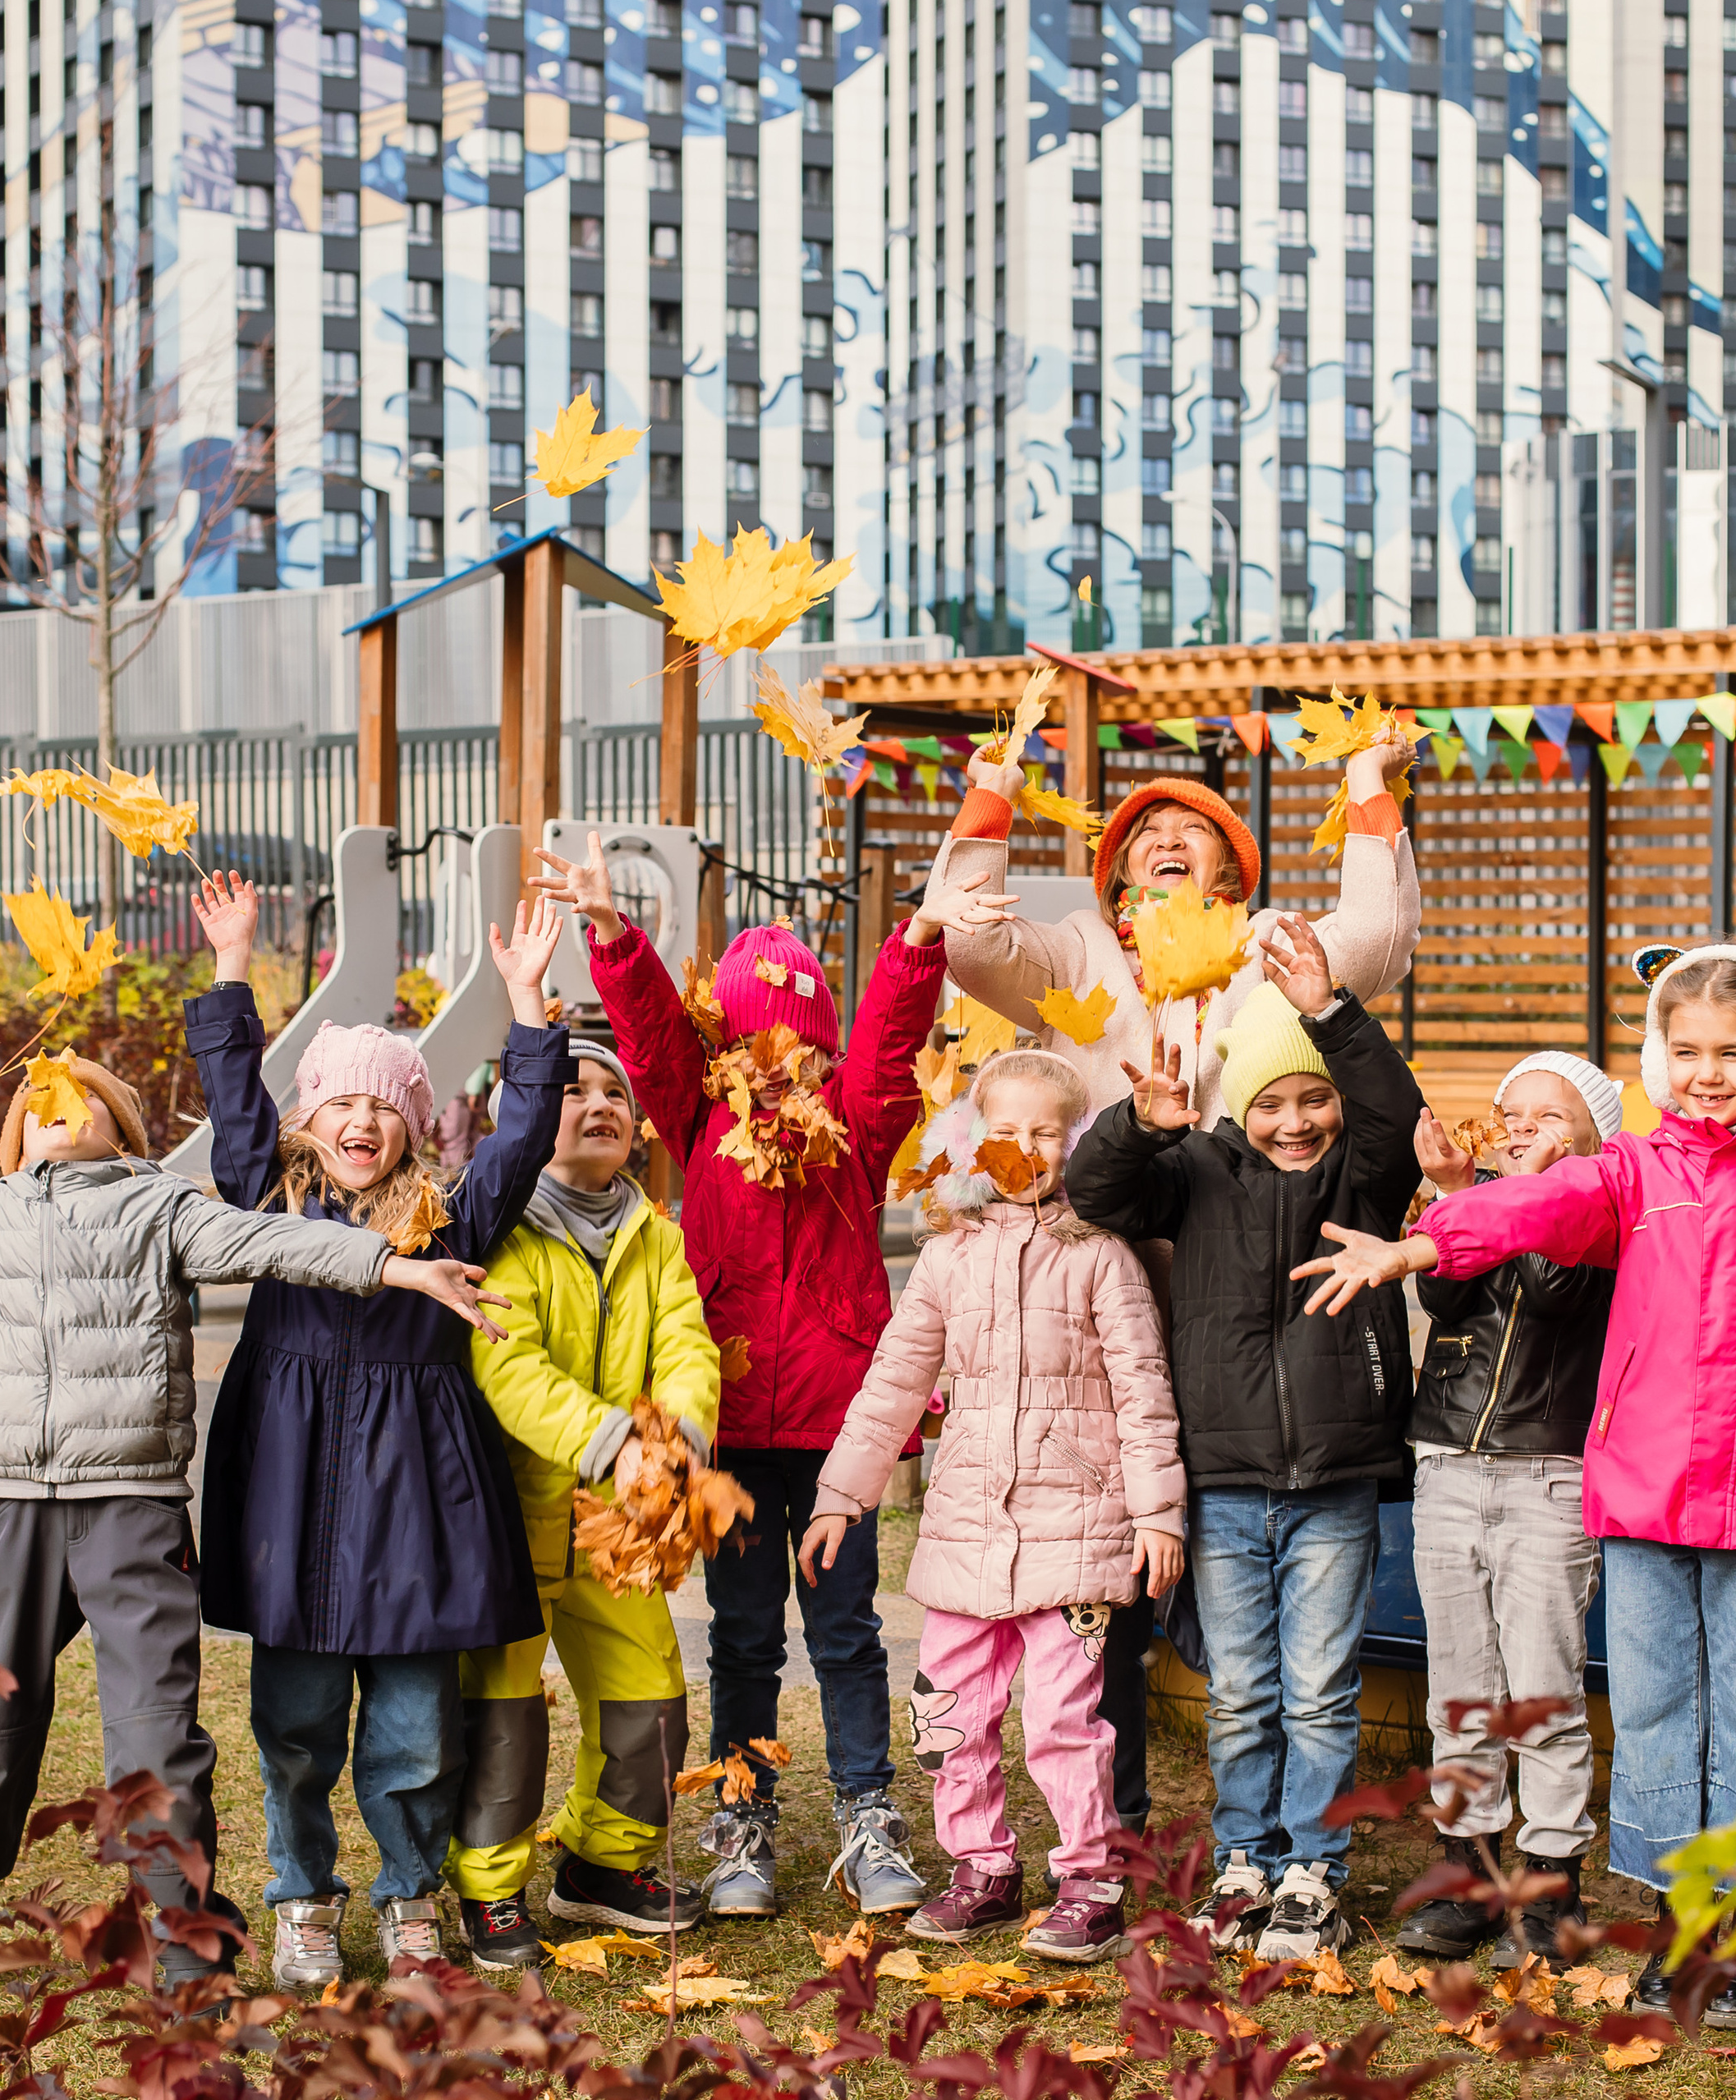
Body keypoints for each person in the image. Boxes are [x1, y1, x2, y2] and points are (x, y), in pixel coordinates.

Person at [0, 1059, 499, 1992]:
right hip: (15, 1513)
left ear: (122, 1128)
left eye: (82, 1100)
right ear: (14, 1140)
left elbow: (276, 1242)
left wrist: (391, 1264)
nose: (58, 1111)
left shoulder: (164, 1209)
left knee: (155, 1739)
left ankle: (190, 1933)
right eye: (38, 1106)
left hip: (133, 1511)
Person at [1295, 937, 1736, 2032]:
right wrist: (1415, 1253)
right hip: (1645, 1501)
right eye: (1688, 1051)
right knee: (1653, 1717)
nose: (1709, 1073)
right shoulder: (1632, 1178)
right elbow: (1522, 1211)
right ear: (1658, 1058)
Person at [926, 719, 1420, 1837]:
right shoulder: (1074, 956)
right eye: (1144, 830)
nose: (1163, 839)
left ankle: (1272, 1819)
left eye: (1192, 832)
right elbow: (962, 946)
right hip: (1096, 1291)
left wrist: (1365, 789)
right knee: (1109, 1571)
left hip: (1242, 1307)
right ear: (1114, 870)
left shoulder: (1264, 953)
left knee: (1231, 1544)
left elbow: (1380, 941)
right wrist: (992, 802)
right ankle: (1122, 1818)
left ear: (1233, 872)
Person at [530, 835, 1008, 1920]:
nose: (782, 1061)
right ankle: (742, 1816)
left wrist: (918, 939)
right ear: (728, 1049)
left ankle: (864, 1813)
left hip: (840, 1434)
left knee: (845, 1631)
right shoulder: (696, 1122)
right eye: (759, 1040)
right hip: (733, 1435)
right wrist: (612, 933)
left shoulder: (855, 1128)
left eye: (804, 1042)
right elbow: (651, 1039)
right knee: (743, 1633)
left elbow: (892, 1048)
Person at [184, 872, 574, 1988]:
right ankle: (302, 1895)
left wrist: (529, 1006)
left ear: (410, 1125)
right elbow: (234, 1100)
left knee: (413, 1732)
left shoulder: (451, 1212)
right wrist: (232, 967)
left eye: (383, 1107)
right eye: (340, 1104)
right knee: (294, 1722)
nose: (361, 1122)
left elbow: (523, 1140)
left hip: (418, 1500)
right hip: (292, 1489)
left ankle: (410, 1895)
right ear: (310, 1116)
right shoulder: (271, 1199)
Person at [1064, 914, 1425, 1960]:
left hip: (1335, 1476)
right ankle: (1244, 1859)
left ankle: (1311, 1868)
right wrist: (1139, 1123)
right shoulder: (1194, 1170)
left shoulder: (1358, 1178)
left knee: (1319, 1686)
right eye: (1273, 1101)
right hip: (1221, 1478)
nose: (1297, 1120)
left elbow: (1395, 1115)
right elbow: (1095, 1192)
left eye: (1314, 1097)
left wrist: (1329, 1013)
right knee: (1243, 1687)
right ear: (1240, 1106)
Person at [800, 1048, 1184, 1964]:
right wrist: (840, 1491)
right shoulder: (946, 1256)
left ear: (1075, 1142)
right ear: (975, 1141)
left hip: (1078, 1528)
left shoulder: (1102, 1258)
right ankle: (981, 1864)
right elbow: (895, 1379)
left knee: (1064, 1717)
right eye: (1006, 1131)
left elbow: (1142, 1387)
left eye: (1047, 1132)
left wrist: (1158, 1512)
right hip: (967, 1527)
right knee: (950, 1713)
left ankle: (1088, 1873)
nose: (1026, 1148)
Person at [443, 1042, 720, 1966]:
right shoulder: (503, 1231)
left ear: (636, 1129)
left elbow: (686, 1342)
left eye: (614, 1092)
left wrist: (675, 1432)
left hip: (622, 1517)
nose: (597, 1102)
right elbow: (505, 1360)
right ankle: (489, 1882)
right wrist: (610, 1439)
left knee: (648, 1694)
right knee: (503, 1706)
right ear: (517, 1120)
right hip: (516, 1512)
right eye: (571, 1090)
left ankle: (603, 1862)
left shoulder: (657, 1235)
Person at [1397, 1052, 1620, 1972]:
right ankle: (1470, 1870)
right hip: (1449, 1460)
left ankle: (1549, 1877)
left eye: (1547, 1113)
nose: (1521, 1123)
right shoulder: (1476, 1202)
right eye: (1509, 1110)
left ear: (1592, 1138)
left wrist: (1521, 1191)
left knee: (1542, 1691)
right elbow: (1441, 1288)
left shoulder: (1596, 1215)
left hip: (1549, 1474)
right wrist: (1456, 1192)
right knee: (1462, 1684)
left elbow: (1553, 1286)